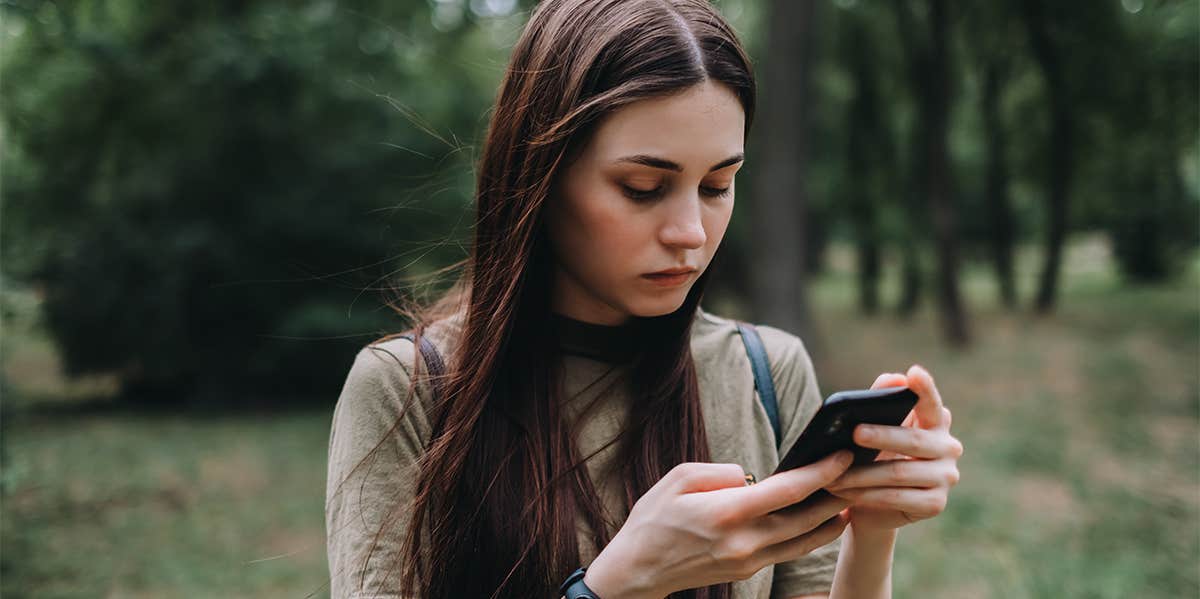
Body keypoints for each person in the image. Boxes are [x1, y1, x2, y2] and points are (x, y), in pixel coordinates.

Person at [324, 0, 963, 598]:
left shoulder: (766, 372)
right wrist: (612, 588)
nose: (689, 232)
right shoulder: (411, 391)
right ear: (538, 180)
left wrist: (873, 530)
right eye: (642, 187)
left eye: (717, 185)